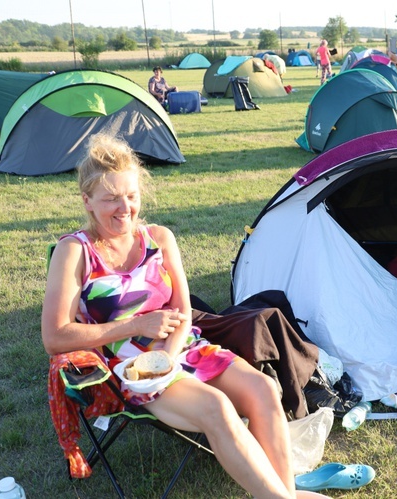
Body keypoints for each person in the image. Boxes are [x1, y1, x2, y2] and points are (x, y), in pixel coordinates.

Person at [41, 133, 307, 499]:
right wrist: (135, 327)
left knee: (263, 389)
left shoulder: (159, 238)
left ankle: (287, 494)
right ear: (87, 201)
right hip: (130, 368)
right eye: (111, 199)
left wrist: (168, 354)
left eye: (131, 196)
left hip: (181, 348)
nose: (125, 208)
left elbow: (183, 311)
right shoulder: (75, 251)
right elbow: (54, 336)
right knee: (216, 407)